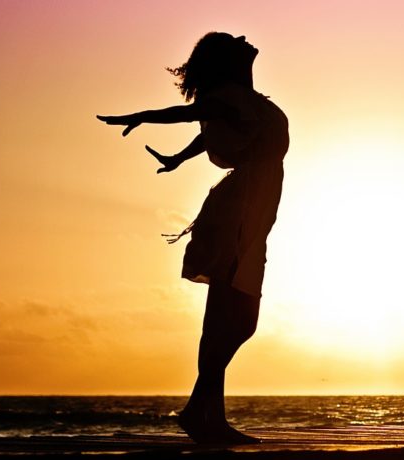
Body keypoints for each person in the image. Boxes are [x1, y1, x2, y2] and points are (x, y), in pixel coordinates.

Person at [97, 32, 288, 444]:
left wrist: (178, 158)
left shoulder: (245, 101)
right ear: (228, 60)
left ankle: (201, 412)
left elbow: (211, 131)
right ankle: (204, 415)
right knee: (230, 316)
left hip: (250, 213)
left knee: (236, 320)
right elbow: (190, 115)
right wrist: (144, 116)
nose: (243, 38)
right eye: (234, 41)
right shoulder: (230, 96)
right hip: (238, 213)